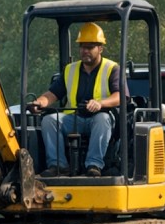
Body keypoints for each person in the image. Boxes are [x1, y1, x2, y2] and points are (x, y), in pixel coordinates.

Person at [27, 22, 124, 177]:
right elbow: (53, 93)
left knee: (102, 118)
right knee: (50, 120)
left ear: (100, 48)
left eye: (90, 47)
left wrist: (100, 103)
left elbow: (120, 96)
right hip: (75, 119)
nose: (85, 51)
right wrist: (40, 102)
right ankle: (58, 166)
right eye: (82, 46)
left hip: (99, 120)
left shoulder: (112, 68)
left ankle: (94, 165)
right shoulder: (70, 70)